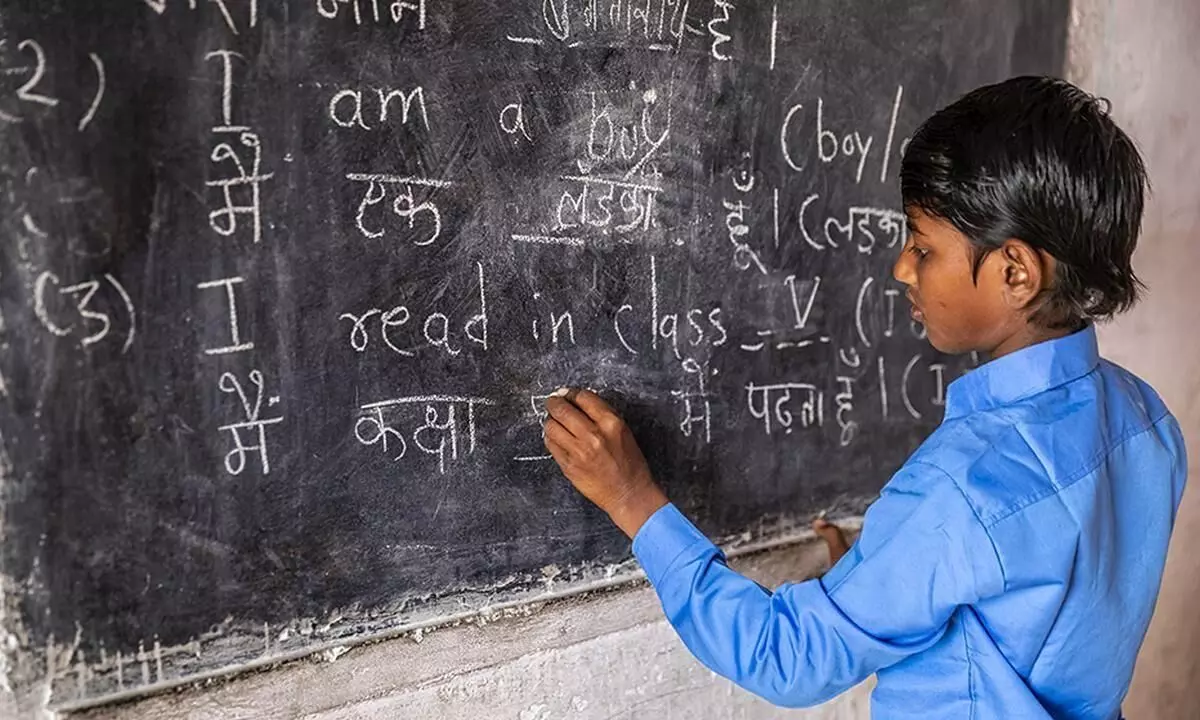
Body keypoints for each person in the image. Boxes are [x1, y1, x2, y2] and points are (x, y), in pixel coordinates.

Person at [541, 76, 1187, 719]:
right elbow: (1038, 603)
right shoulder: (1148, 422)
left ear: (1015, 273)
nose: (902, 268)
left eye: (924, 247)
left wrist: (634, 502)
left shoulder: (958, 492)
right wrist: (891, 576)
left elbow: (787, 658)